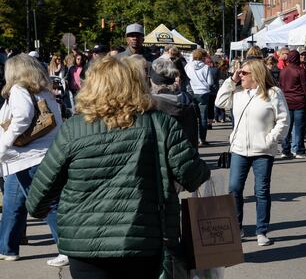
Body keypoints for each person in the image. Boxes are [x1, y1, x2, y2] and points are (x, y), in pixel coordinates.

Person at [24, 56, 209, 277]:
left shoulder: (73, 130)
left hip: (84, 244)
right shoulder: (160, 123)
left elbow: (37, 199)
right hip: (142, 241)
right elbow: (193, 176)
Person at [0, 53, 67, 267]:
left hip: (28, 157)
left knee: (46, 204)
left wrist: (3, 145)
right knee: (13, 203)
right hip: (32, 157)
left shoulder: (19, 90)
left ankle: (66, 249)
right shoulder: (43, 91)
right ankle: (6, 248)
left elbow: (21, 118)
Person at [215, 57, 289, 247]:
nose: (241, 76)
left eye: (244, 73)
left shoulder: (273, 93)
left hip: (263, 150)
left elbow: (283, 120)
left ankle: (261, 230)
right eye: (240, 73)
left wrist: (271, 139)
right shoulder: (238, 92)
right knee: (234, 189)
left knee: (261, 191)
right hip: (239, 149)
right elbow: (220, 101)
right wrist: (231, 80)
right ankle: (237, 227)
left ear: (256, 74)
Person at [148, 57, 199, 148]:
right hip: (185, 153)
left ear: (153, 80)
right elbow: (193, 136)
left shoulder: (151, 104)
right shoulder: (187, 100)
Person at [279, 50, 306, 159]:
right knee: (299, 128)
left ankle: (285, 150)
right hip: (299, 102)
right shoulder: (300, 71)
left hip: (286, 102)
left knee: (287, 128)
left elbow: (281, 86)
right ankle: (299, 150)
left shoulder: (283, 71)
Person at [185, 49, 214, 146]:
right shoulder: (206, 67)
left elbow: (185, 79)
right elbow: (210, 82)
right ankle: (202, 139)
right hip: (203, 93)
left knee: (192, 117)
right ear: (203, 57)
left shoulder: (188, 66)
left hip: (191, 92)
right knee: (203, 118)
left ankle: (193, 139)